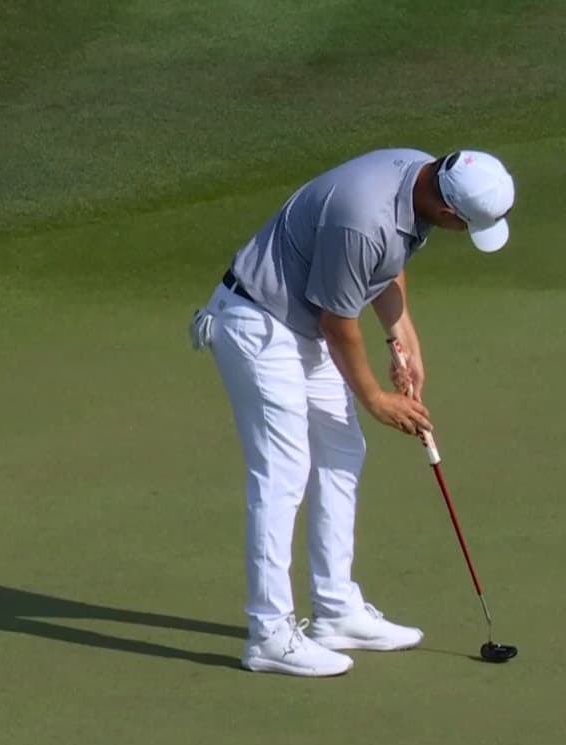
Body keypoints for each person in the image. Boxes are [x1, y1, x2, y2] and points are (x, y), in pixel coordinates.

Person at [189, 147, 515, 677]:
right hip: (258, 324)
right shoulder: (362, 221)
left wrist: (400, 335)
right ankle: (269, 634)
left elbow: (388, 264)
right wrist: (378, 400)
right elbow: (339, 324)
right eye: (467, 228)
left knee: (342, 451)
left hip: (301, 324)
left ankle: (335, 609)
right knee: (283, 473)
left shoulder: (423, 174)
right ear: (450, 212)